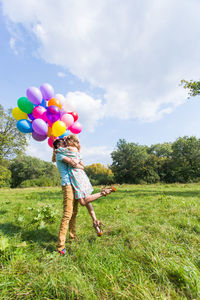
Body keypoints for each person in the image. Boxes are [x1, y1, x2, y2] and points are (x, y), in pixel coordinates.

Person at [55, 135, 116, 235]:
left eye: (66, 142)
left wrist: (58, 146)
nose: (65, 143)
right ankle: (95, 222)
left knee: (83, 202)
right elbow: (83, 166)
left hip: (76, 177)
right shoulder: (77, 150)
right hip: (81, 176)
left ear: (70, 142)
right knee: (87, 202)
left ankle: (104, 192)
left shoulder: (68, 149)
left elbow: (59, 150)